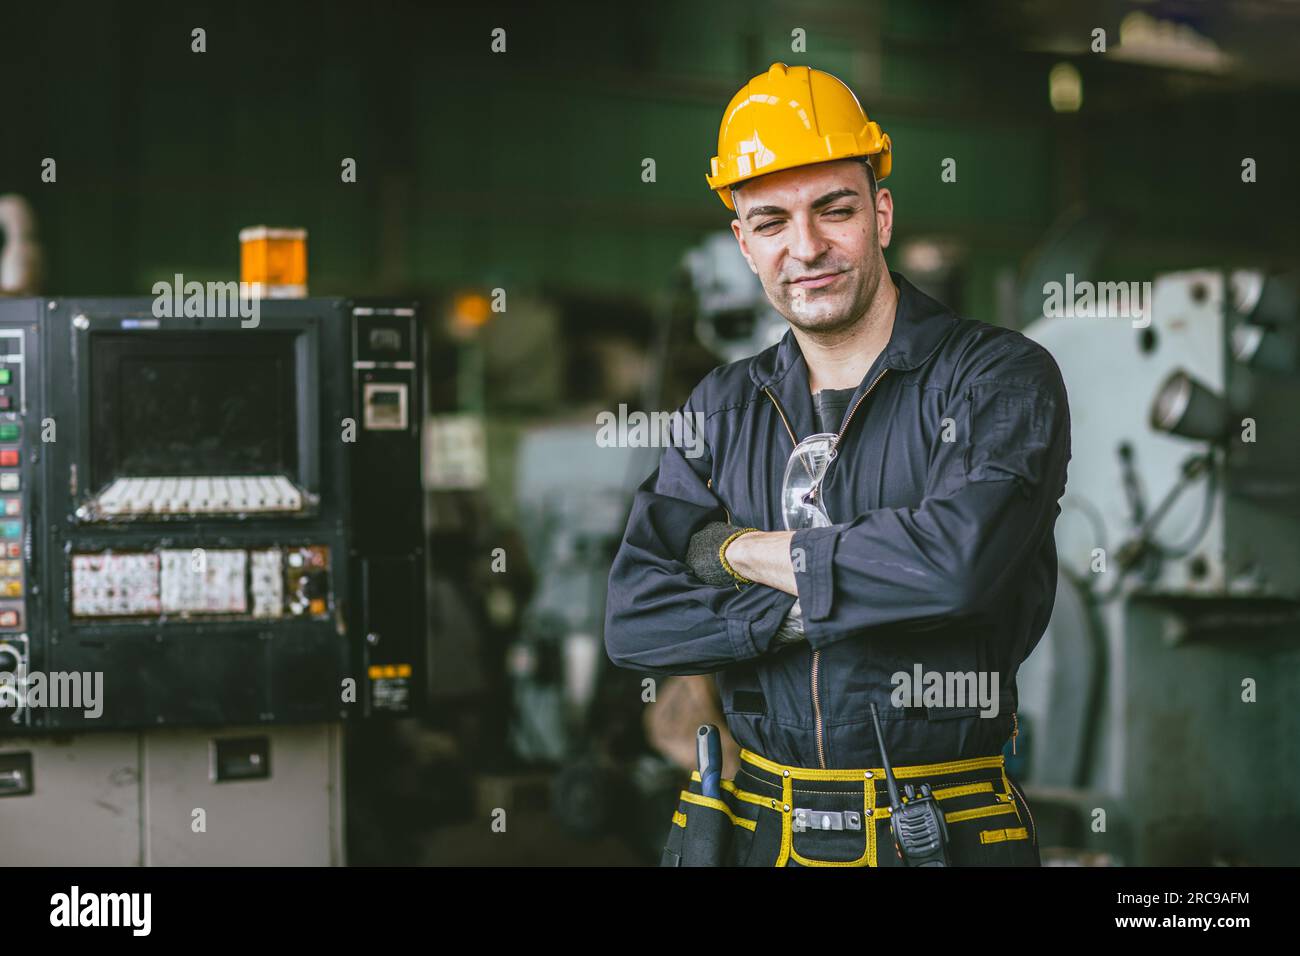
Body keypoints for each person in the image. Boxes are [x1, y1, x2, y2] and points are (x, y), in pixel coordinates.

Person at [605, 62, 1070, 867]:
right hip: (760, 829)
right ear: (744, 243)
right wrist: (826, 607)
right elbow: (635, 617)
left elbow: (957, 569)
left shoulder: (997, 378)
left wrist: (738, 552)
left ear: (881, 215)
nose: (807, 246)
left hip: (943, 830)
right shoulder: (719, 408)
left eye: (835, 208)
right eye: (772, 221)